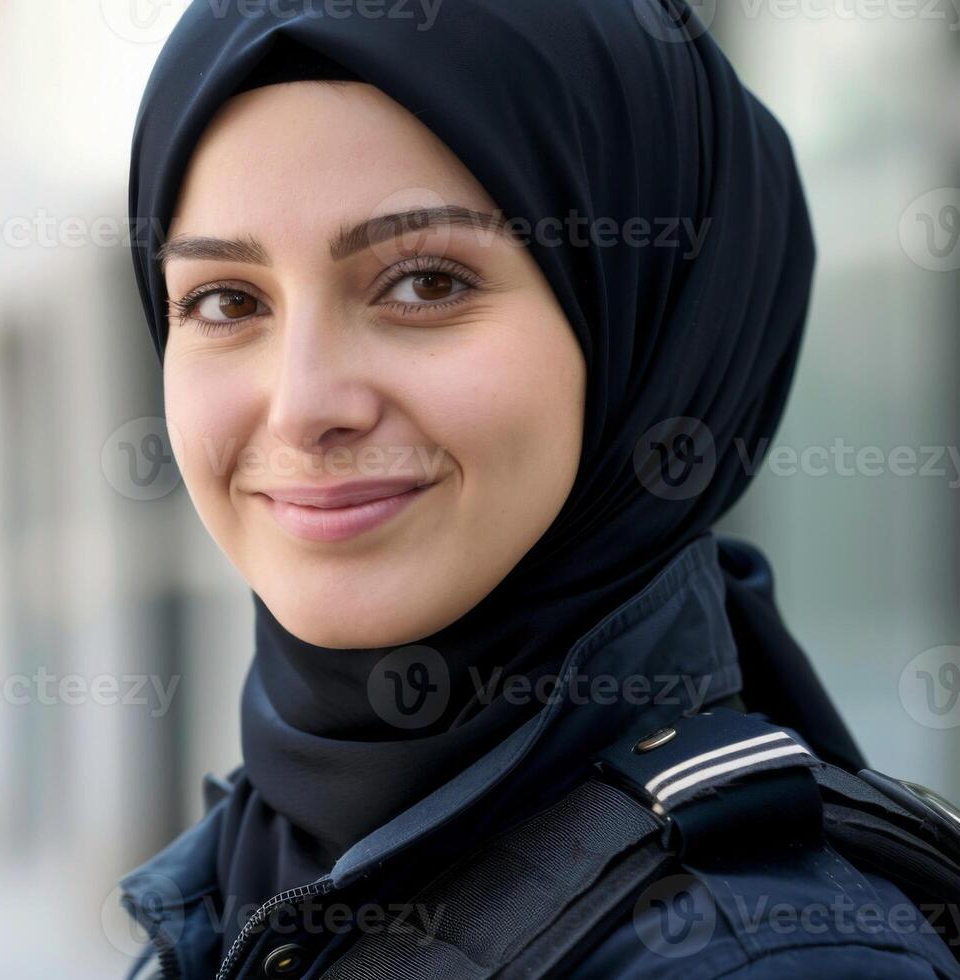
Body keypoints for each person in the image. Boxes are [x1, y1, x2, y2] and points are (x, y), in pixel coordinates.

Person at [115, 1, 960, 978]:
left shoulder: (758, 959)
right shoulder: (248, 867)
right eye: (227, 299)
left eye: (426, 282)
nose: (305, 405)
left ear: (649, 333)